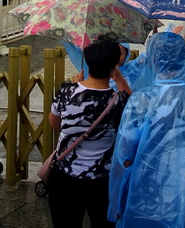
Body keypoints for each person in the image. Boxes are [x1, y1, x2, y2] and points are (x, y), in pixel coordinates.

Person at [108, 31, 185, 228]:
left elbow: (124, 154)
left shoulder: (142, 99)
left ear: (154, 59)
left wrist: (115, 200)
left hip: (144, 198)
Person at [49, 39, 131, 228]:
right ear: (114, 66)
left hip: (65, 175)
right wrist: (118, 78)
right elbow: (133, 109)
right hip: (102, 179)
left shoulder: (66, 91)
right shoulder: (117, 100)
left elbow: (54, 123)